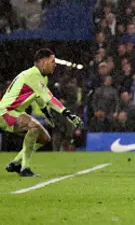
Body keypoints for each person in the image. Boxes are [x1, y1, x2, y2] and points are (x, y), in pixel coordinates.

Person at [1, 49, 83, 177]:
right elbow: (50, 98)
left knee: (45, 138)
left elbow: (39, 99)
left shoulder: (41, 78)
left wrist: (47, 114)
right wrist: (68, 114)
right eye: (52, 61)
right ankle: (24, 168)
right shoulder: (33, 75)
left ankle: (16, 162)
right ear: (43, 62)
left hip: (15, 112)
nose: (55, 64)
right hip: (5, 112)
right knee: (33, 128)